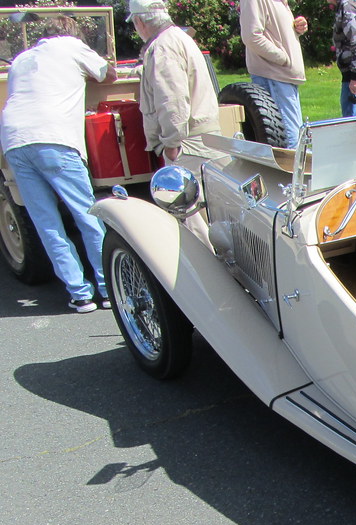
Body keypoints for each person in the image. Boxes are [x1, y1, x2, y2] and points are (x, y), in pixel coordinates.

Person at [0, 14, 117, 313]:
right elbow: (109, 75)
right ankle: (107, 287)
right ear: (72, 33)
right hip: (54, 136)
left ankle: (79, 294)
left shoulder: (21, 59)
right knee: (86, 213)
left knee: (46, 222)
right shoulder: (72, 47)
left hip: (14, 139)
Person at [128, 0, 222, 245]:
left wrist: (171, 143)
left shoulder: (163, 47)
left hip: (187, 143)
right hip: (197, 138)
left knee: (192, 219)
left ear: (139, 21)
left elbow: (172, 99)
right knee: (207, 216)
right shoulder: (176, 39)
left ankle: (206, 278)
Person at [240, 0, 308, 148]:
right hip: (273, 76)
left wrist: (296, 28)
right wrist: (282, 58)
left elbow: (275, 33)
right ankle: (288, 172)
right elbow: (251, 36)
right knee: (290, 142)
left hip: (283, 76)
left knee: (295, 139)